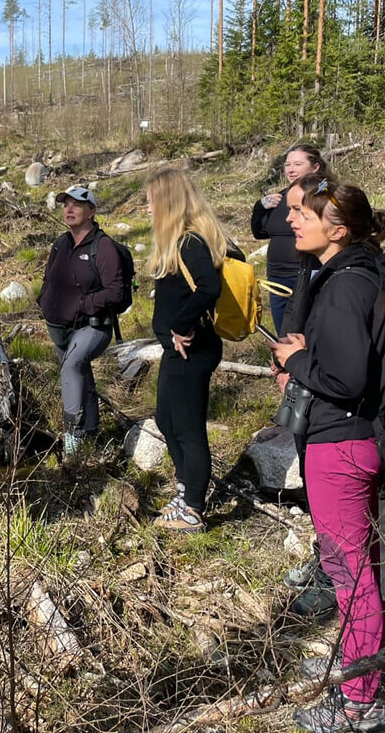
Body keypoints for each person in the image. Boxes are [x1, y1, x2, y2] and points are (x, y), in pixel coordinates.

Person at [267, 176, 385, 733]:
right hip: (354, 438)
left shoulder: (346, 286)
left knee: (351, 573)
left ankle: (360, 704)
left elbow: (343, 378)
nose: (294, 220)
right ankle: (354, 667)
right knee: (362, 565)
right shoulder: (356, 274)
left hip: (340, 444)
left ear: (336, 231)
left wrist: (296, 362)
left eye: (307, 215)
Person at [146, 169, 226, 533]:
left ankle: (193, 507)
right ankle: (185, 488)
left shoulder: (191, 242)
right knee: (167, 420)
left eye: (151, 201)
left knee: (189, 428)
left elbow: (208, 287)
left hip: (191, 349)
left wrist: (181, 325)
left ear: (168, 203)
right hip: (177, 351)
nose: (147, 208)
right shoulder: (182, 241)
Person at [37, 185, 123, 458]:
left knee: (72, 365)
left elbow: (115, 291)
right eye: (66, 205)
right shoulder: (61, 243)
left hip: (94, 325)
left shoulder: (104, 246)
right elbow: (49, 278)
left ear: (92, 211)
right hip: (61, 326)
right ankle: (90, 430)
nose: (69, 210)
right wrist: (44, 301)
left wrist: (84, 304)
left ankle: (72, 439)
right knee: (80, 373)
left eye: (76, 205)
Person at [251, 144, 335, 332]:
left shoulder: (325, 192)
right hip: (276, 278)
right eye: (288, 164)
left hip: (308, 274)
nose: (291, 169)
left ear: (315, 167)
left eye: (298, 164)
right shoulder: (282, 197)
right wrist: (259, 207)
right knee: (284, 334)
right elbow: (260, 233)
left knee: (307, 332)